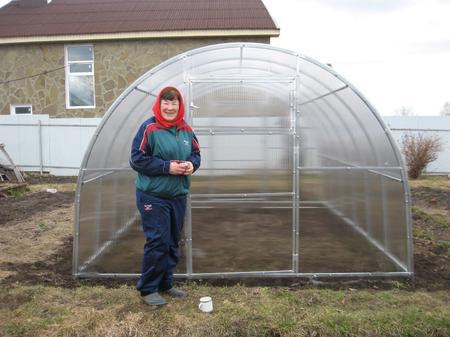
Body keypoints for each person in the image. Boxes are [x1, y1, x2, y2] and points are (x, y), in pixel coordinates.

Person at [130, 86, 201, 306]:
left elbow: (196, 154)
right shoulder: (149, 128)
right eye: (166, 102)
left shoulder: (186, 130)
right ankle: (148, 288)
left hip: (177, 195)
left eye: (174, 103)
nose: (170, 107)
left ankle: (165, 284)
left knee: (171, 241)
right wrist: (166, 167)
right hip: (153, 195)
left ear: (180, 106)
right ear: (159, 104)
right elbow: (136, 160)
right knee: (158, 240)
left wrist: (191, 165)